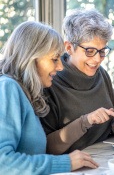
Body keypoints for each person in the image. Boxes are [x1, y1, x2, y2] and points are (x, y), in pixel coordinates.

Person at [0, 21, 98, 175]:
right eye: (54, 59)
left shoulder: (25, 93)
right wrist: (65, 162)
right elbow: (3, 163)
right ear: (31, 58)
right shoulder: (7, 88)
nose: (60, 67)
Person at [40, 8, 114, 155]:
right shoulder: (50, 82)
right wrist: (86, 121)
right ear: (69, 47)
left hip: (107, 156)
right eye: (89, 51)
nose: (97, 59)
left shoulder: (101, 74)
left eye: (102, 51)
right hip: (72, 165)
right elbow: (48, 147)